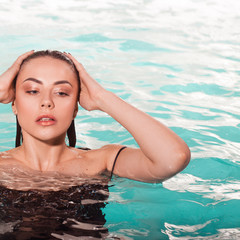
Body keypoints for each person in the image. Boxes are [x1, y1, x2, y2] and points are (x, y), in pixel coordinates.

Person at [0, 50, 191, 183]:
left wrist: (102, 98)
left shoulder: (102, 162)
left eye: (62, 92)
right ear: (14, 103)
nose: (47, 102)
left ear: (75, 108)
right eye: (33, 91)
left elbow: (173, 158)